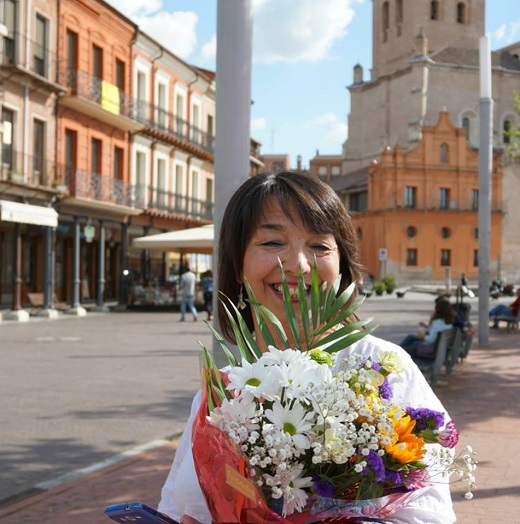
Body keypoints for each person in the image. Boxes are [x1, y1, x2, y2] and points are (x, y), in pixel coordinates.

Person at [158, 171, 456, 523]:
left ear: (343, 267)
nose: (298, 266)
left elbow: (429, 513)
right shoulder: (222, 393)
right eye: (272, 243)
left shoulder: (381, 368)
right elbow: (176, 507)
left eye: (318, 246)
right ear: (238, 265)